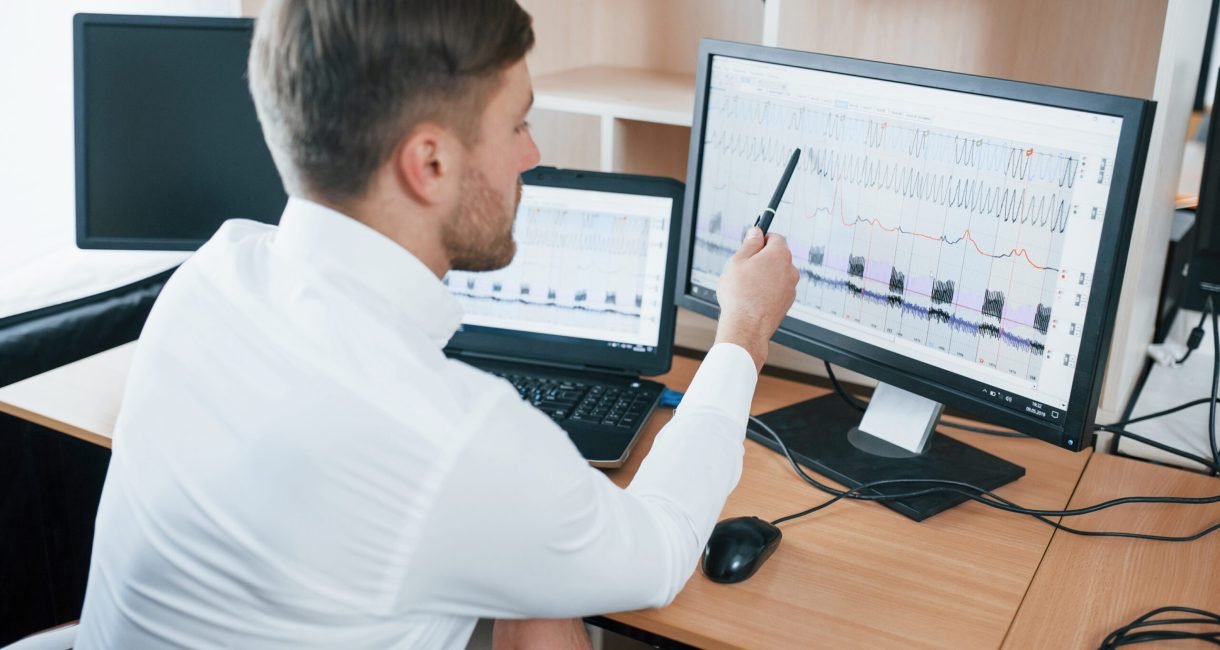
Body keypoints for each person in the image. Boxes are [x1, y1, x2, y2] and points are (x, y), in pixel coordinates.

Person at [74, 1, 799, 648]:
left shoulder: (210, 278)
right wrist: (742, 330)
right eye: (516, 123)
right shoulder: (451, 437)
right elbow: (662, 556)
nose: (533, 154)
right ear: (429, 161)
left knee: (537, 595)